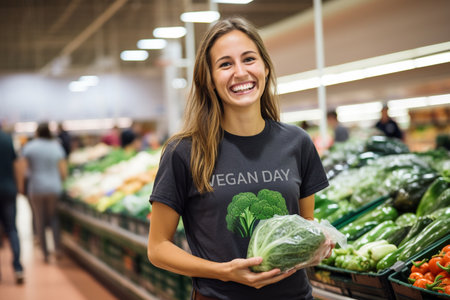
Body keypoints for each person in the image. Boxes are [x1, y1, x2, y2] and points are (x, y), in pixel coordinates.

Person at [147, 18, 331, 300]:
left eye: (249, 59)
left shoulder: (298, 143)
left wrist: (319, 245)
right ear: (208, 78)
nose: (240, 72)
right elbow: (158, 248)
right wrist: (223, 272)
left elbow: (306, 228)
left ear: (266, 68)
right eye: (225, 64)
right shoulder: (184, 151)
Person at [21, 122, 67, 262]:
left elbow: (24, 170)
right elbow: (63, 171)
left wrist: (22, 187)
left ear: (37, 133)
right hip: (54, 187)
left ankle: (45, 253)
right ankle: (57, 248)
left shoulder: (29, 147)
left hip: (36, 188)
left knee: (39, 219)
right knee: (53, 217)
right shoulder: (56, 147)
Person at [0, 125, 25, 283]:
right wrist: (20, 186)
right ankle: (17, 268)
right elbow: (17, 164)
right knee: (12, 229)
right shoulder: (7, 139)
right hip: (9, 190)